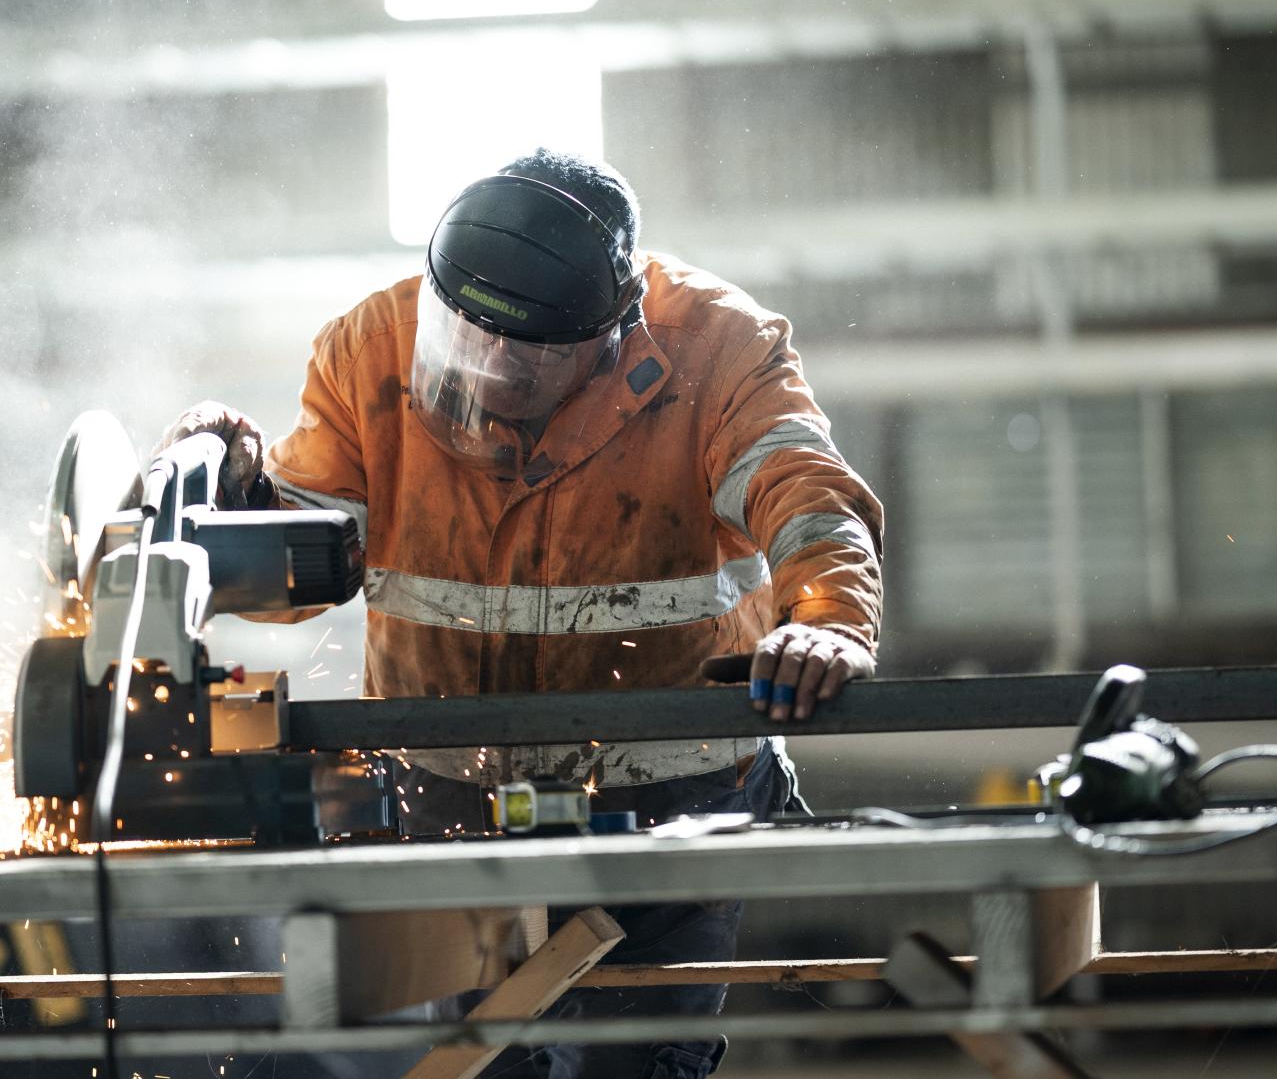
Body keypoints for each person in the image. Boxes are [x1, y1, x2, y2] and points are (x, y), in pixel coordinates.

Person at [157, 148, 883, 1078]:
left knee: (640, 1065)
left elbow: (808, 495)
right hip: (450, 807)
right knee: (480, 1068)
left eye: (531, 351)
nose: (495, 368)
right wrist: (237, 501)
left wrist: (827, 617)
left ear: (616, 330)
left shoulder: (720, 348)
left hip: (667, 812)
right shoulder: (371, 350)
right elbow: (301, 568)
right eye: (470, 338)